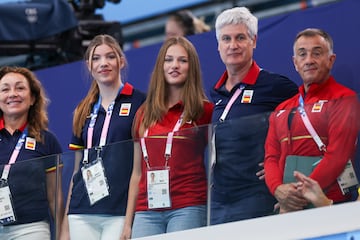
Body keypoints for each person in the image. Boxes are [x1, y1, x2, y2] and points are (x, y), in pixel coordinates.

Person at [209, 7, 299, 225]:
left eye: (241, 37)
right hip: (218, 200)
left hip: (255, 195)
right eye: (226, 39)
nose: (233, 45)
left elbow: (302, 131)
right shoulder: (215, 94)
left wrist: (280, 171)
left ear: (254, 41)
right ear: (218, 46)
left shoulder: (277, 87)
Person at [121, 36, 214, 239]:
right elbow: (137, 174)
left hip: (188, 206)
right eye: (169, 59)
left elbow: (217, 162)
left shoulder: (204, 110)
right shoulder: (143, 113)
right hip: (146, 211)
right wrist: (128, 223)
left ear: (192, 67)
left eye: (182, 60)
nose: (175, 65)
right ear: (161, 66)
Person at [264, 28, 360, 213]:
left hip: (329, 204)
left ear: (331, 60)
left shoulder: (344, 98)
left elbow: (338, 155)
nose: (309, 60)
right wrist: (278, 189)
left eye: (317, 53)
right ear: (295, 63)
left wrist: (299, 194)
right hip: (289, 206)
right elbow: (271, 158)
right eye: (302, 54)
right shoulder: (282, 109)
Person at [60, 34, 146, 240]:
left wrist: (128, 220)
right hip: (81, 211)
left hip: (118, 211)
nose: (103, 63)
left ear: (121, 61)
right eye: (96, 58)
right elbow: (76, 171)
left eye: (110, 57)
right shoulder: (83, 109)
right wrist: (65, 227)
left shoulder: (140, 102)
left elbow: (139, 169)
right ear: (89, 66)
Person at [0, 66, 64, 239]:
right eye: (5, 89)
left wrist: (62, 233)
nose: (12, 94)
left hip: (31, 229)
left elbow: (54, 196)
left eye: (20, 88)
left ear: (33, 98)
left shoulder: (47, 141)